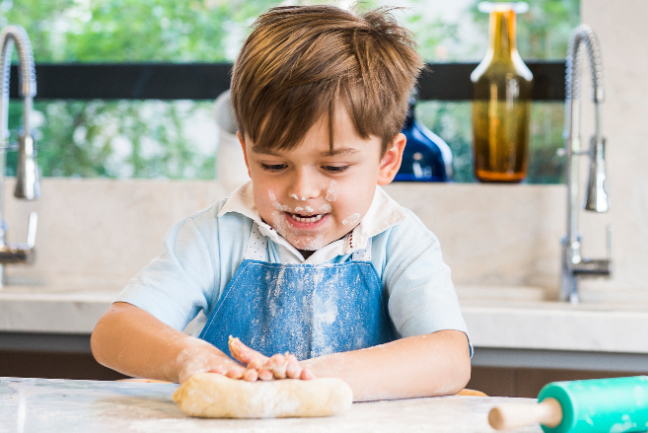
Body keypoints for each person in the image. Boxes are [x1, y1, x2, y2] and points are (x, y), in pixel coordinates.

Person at [91, 4, 472, 401]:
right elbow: (114, 331)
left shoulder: (399, 241)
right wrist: (193, 357)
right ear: (245, 153)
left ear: (387, 160)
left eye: (334, 166)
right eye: (274, 164)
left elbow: (449, 357)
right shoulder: (215, 236)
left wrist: (319, 377)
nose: (302, 190)